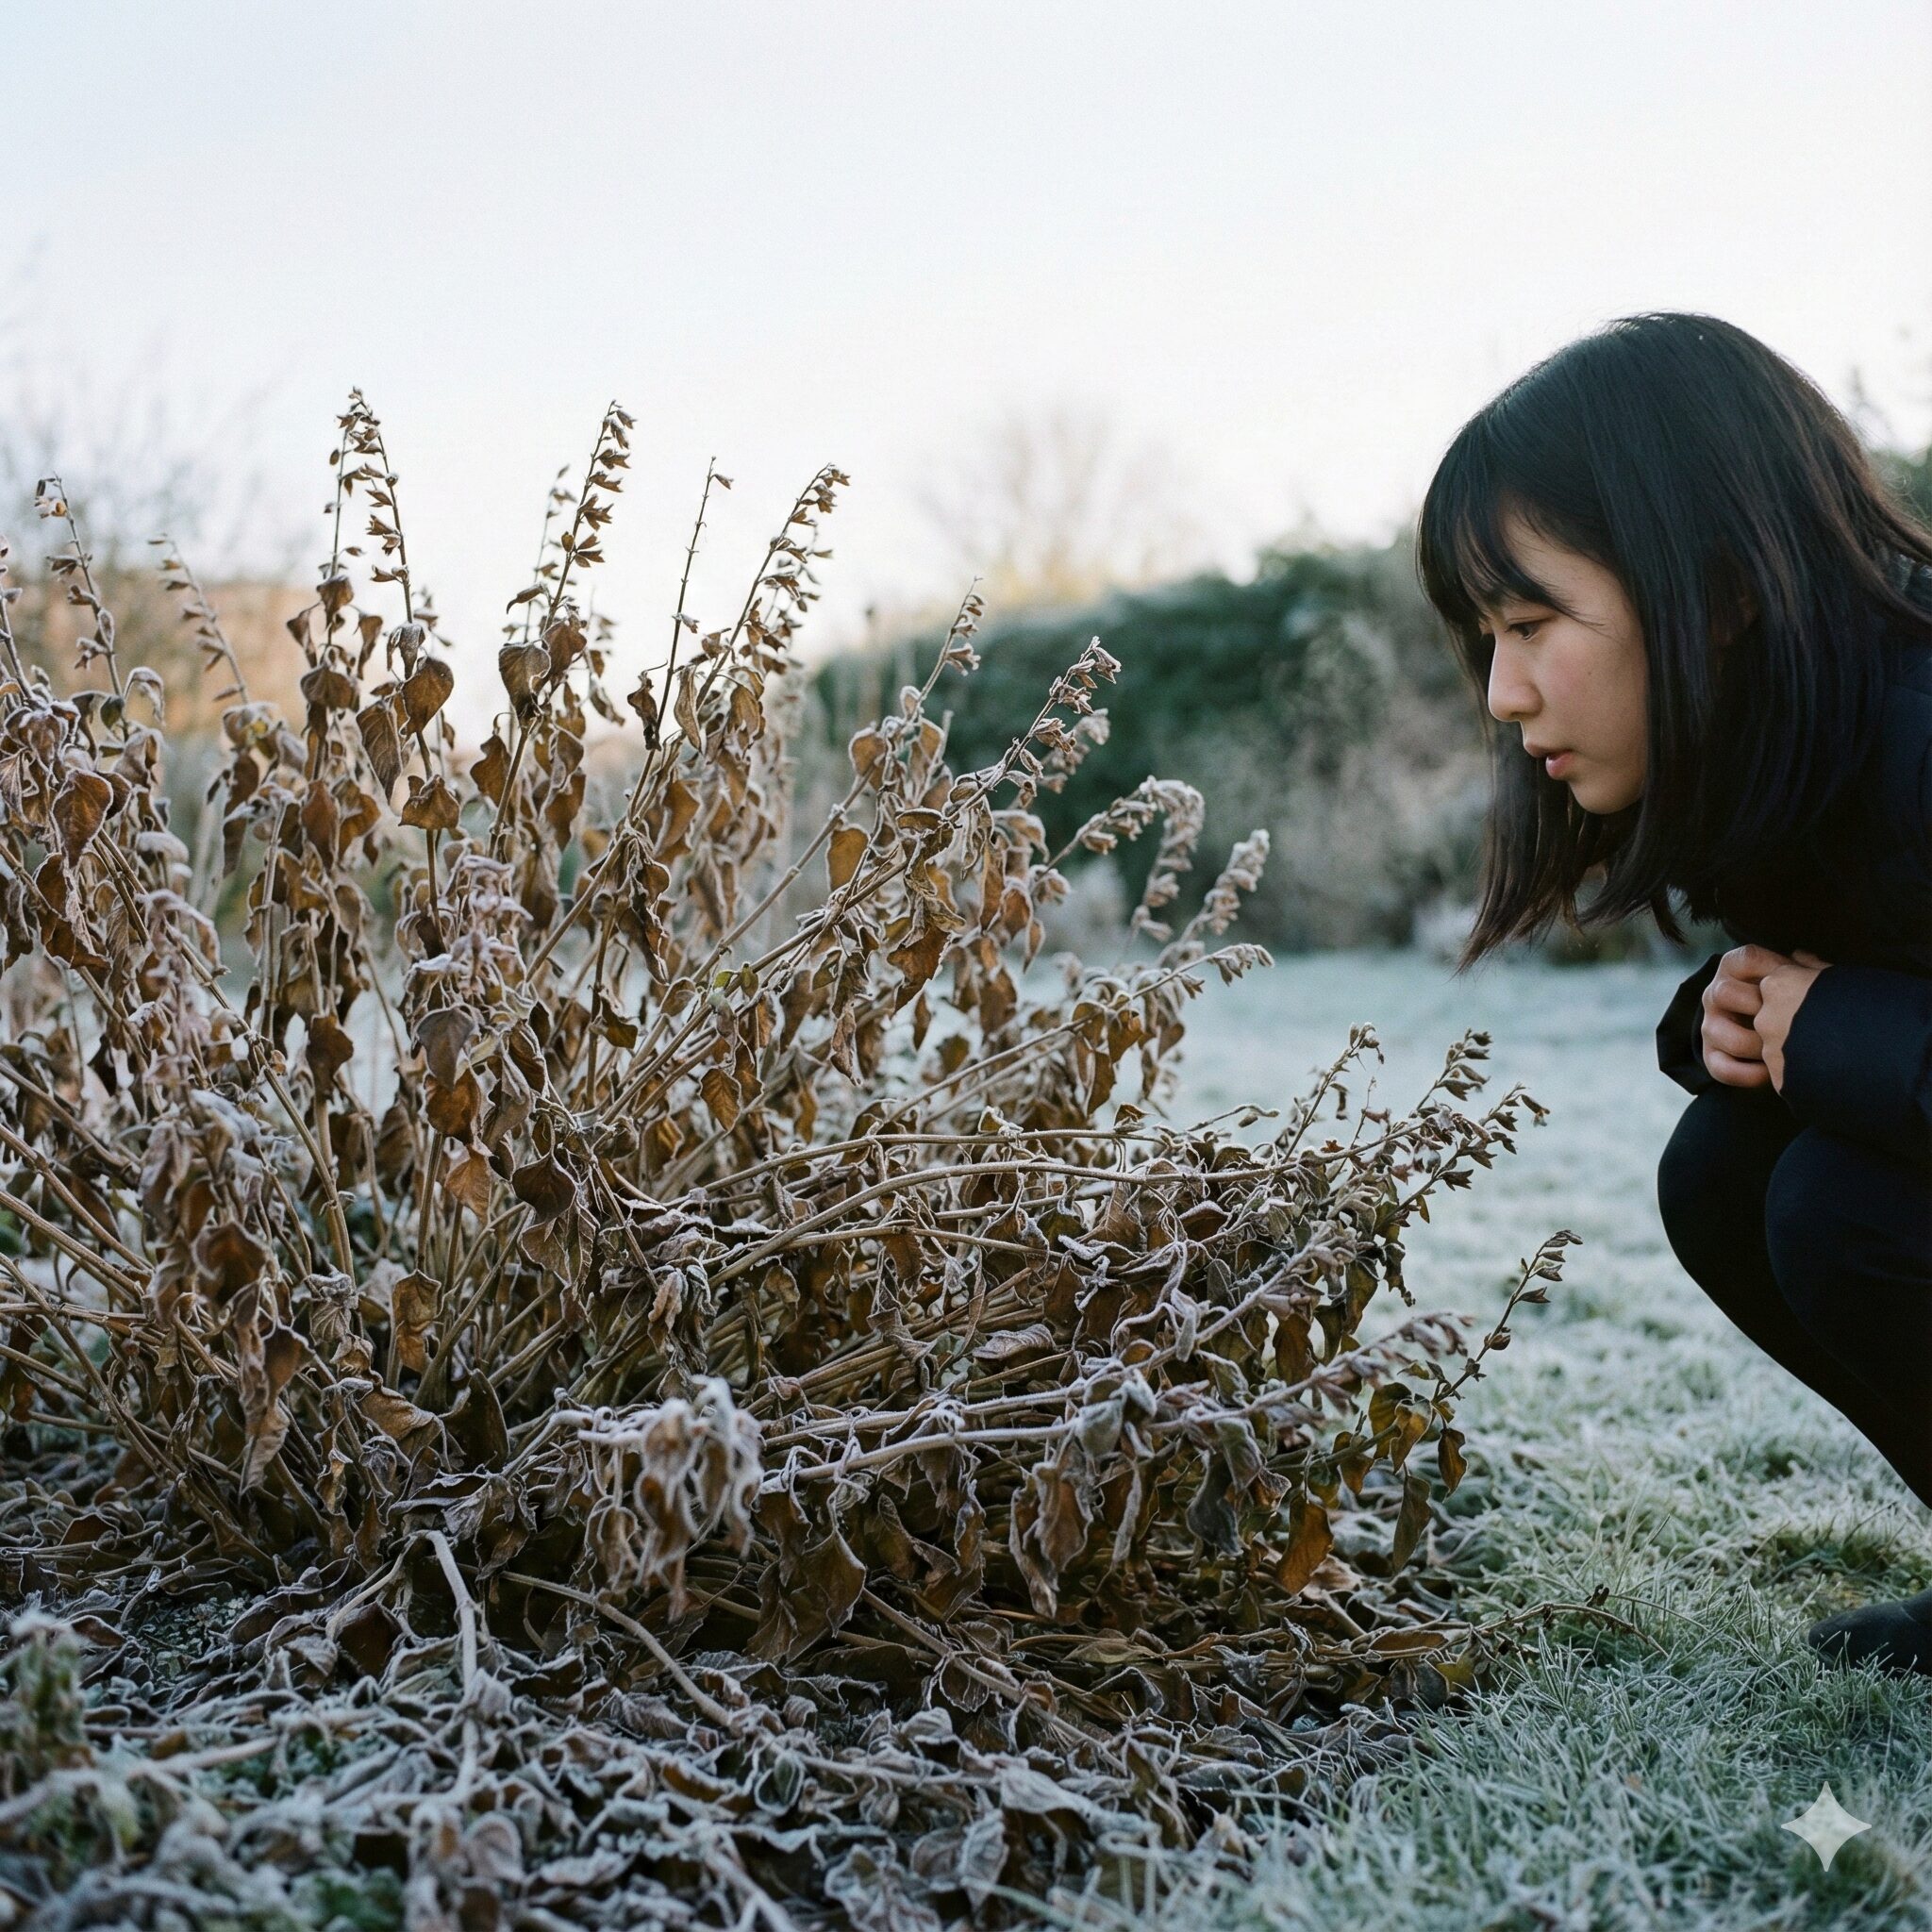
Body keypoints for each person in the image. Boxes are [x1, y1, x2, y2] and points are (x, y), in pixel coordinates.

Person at [1413, 310, 1932, 1675]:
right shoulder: (1801, 747)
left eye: (1533, 622)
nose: (1504, 693)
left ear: (1716, 593)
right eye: (1487, 633)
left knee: (1839, 1203)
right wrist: (1733, 1014)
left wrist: (1849, 1033)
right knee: (1729, 1167)